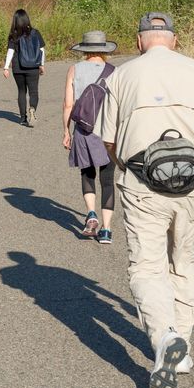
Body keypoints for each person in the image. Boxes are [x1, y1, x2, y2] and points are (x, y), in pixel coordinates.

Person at [95, 12, 194, 388]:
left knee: (147, 265)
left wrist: (128, 170)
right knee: (184, 261)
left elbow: (108, 142)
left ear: (140, 40)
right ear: (174, 40)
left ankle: (163, 338)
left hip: (143, 183)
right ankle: (183, 350)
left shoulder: (121, 76)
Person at [61, 30, 118, 244]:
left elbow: (68, 104)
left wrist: (66, 130)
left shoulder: (74, 69)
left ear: (84, 50)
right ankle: (107, 229)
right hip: (107, 132)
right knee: (107, 180)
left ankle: (91, 214)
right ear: (104, 50)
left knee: (87, 174)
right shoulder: (114, 72)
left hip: (83, 130)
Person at [3, 8, 45, 126]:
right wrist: (41, 64)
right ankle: (32, 109)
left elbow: (10, 51)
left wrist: (6, 67)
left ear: (15, 21)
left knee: (21, 91)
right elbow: (41, 50)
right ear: (27, 19)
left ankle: (22, 118)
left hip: (18, 67)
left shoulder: (13, 35)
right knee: (33, 91)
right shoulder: (35, 33)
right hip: (33, 67)